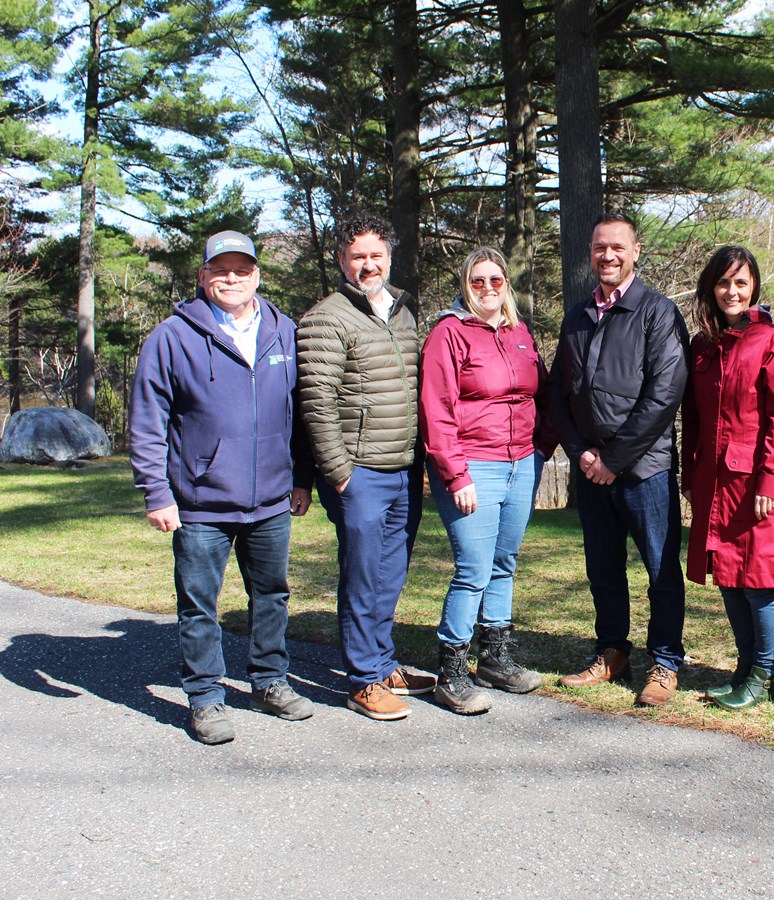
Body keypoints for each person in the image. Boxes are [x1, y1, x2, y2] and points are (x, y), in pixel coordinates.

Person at [129, 230, 315, 745]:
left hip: (273, 499)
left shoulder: (284, 332)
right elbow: (148, 421)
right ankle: (206, 697)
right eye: (220, 269)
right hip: (200, 502)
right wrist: (157, 493)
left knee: (271, 595)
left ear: (257, 274)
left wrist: (303, 477)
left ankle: (269, 682)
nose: (231, 278)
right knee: (198, 603)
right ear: (203, 275)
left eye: (242, 269)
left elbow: (302, 416)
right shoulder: (172, 336)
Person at [296, 210, 436, 722]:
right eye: (358, 256)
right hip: (359, 474)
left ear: (390, 256)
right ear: (341, 260)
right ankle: (362, 680)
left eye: (377, 255)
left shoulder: (402, 311)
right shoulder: (326, 318)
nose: (369, 264)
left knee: (390, 574)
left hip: (402, 468)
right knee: (361, 575)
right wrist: (340, 474)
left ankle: (381, 661)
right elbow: (316, 402)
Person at [550, 212, 690, 707]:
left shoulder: (658, 312)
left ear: (635, 252)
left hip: (644, 469)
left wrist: (614, 458)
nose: (607, 255)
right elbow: (557, 396)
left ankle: (666, 662)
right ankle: (611, 651)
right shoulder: (578, 317)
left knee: (660, 570)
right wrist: (581, 453)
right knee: (603, 568)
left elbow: (664, 395)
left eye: (617, 247)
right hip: (592, 471)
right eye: (598, 247)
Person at [419, 247, 555, 715]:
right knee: (473, 568)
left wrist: (541, 450)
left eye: (496, 280)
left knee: (504, 562)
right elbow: (436, 410)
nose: (488, 289)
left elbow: (542, 394)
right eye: (478, 281)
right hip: (473, 465)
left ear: (506, 285)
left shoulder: (520, 333)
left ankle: (496, 656)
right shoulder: (448, 334)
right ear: (465, 285)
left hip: (521, 464)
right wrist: (456, 474)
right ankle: (452, 671)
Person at [681, 246, 774, 711]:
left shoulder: (773, 342)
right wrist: (690, 474)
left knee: (757, 579)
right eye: (723, 282)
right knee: (729, 576)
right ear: (711, 288)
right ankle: (744, 666)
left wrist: (772, 478)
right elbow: (691, 416)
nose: (732, 291)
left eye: (741, 282)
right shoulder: (702, 345)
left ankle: (761, 674)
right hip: (713, 481)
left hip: (754, 483)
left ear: (754, 287)